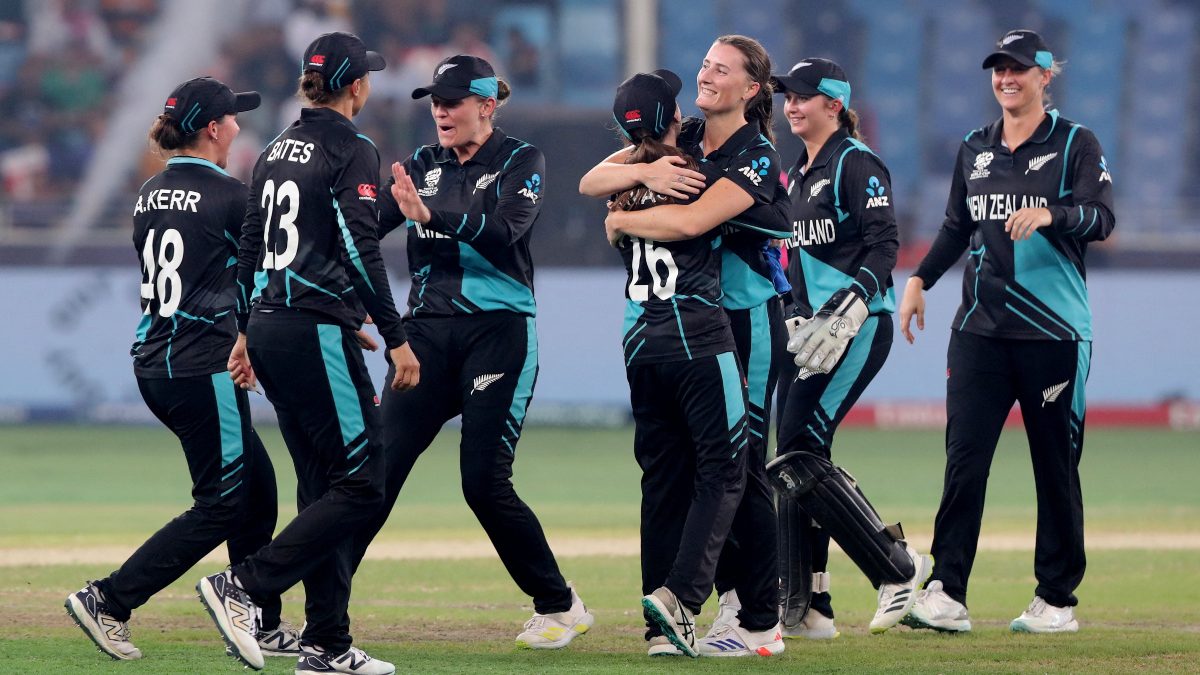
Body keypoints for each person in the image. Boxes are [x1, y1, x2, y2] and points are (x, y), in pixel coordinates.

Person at [352, 54, 593, 650]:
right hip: (426, 335)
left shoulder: (521, 160)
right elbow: (362, 231)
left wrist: (428, 213)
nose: (440, 110)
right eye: (434, 100)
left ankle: (559, 606)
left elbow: (506, 229)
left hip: (499, 333)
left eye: (453, 100)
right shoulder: (421, 165)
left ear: (487, 104)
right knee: (374, 476)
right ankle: (321, 603)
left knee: (483, 482)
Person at [196, 32, 418, 675]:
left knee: (321, 485)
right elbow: (359, 247)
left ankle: (326, 644)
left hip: (272, 324)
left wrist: (244, 332)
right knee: (364, 480)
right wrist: (396, 336)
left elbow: (250, 247)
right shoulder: (353, 148)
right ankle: (245, 585)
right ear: (356, 87)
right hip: (315, 329)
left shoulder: (272, 150)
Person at [64, 76, 299, 663]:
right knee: (221, 502)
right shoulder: (230, 196)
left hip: (157, 362)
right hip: (201, 367)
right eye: (233, 118)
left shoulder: (150, 191)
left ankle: (263, 619)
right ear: (214, 128)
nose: (240, 126)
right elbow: (269, 270)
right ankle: (109, 600)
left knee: (257, 487)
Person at [899, 29, 1115, 634]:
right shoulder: (975, 146)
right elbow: (954, 224)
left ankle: (1056, 600)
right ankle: (947, 592)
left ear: (1047, 75)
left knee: (1054, 465)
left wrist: (1052, 214)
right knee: (964, 461)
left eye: (1019, 69)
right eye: (998, 69)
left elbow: (1102, 217)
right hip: (979, 330)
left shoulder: (1076, 142)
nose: (1006, 78)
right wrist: (920, 279)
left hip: (1054, 333)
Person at [589, 35, 791, 658]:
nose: (705, 75)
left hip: (746, 320)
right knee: (683, 475)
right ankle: (689, 612)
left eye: (720, 68)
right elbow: (597, 177)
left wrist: (621, 218)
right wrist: (643, 173)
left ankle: (759, 617)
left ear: (751, 89)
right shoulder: (683, 142)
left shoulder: (756, 154)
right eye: (704, 64)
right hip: (693, 326)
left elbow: (692, 221)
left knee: (744, 467)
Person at [769, 58, 932, 639]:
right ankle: (810, 606)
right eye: (786, 97)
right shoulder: (796, 170)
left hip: (856, 329)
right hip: (806, 335)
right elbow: (788, 258)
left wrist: (853, 304)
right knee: (795, 456)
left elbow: (885, 245)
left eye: (803, 98)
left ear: (833, 105)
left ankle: (897, 568)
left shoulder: (855, 163)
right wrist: (791, 313)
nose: (791, 106)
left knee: (795, 452)